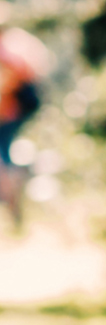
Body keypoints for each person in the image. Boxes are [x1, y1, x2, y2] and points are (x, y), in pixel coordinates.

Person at [0, 27, 48, 238]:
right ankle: (13, 205)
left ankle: (12, 202)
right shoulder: (15, 41)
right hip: (17, 108)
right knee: (5, 155)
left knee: (3, 157)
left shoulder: (7, 50)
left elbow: (10, 82)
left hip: (12, 110)